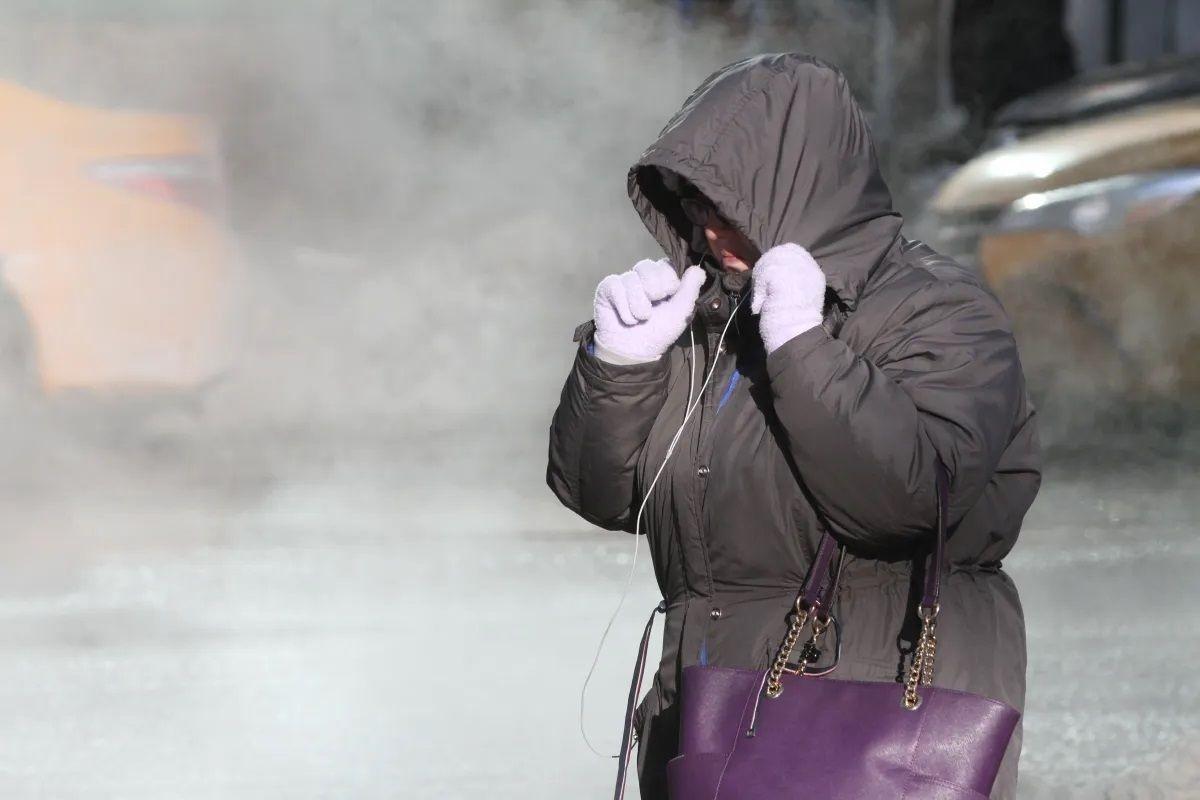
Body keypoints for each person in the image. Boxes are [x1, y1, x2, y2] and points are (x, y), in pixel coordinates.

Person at [545, 52, 1041, 800]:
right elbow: (602, 494)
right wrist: (617, 366)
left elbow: (908, 497)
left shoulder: (937, 311)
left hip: (864, 729)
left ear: (801, 191)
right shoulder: (709, 316)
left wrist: (802, 347)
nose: (707, 227)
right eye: (689, 201)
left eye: (724, 200)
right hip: (705, 720)